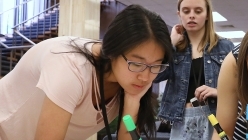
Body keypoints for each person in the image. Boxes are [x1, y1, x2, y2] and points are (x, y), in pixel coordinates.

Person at [0, 4, 173, 140]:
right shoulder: (70, 67)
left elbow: (128, 135)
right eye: (137, 63)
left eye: (156, 65)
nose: (145, 77)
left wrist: (132, 101)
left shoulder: (131, 80)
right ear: (112, 50)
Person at [153, 0, 234, 139]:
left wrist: (218, 92)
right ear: (179, 15)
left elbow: (240, 87)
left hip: (215, 116)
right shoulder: (175, 49)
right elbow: (154, 75)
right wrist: (170, 44)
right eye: (186, 11)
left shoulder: (225, 47)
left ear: (207, 14)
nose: (191, 16)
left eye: (198, 11)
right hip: (181, 119)